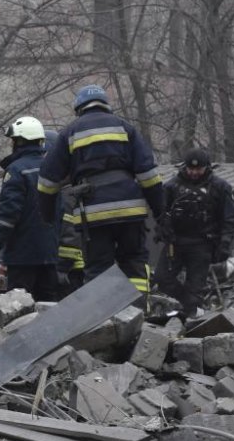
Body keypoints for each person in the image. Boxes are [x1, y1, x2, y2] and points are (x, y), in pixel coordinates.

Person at [38, 84, 163, 295]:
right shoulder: (126, 128)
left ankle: (103, 322)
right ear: (106, 105)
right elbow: (149, 176)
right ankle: (139, 315)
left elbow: (47, 182)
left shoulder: (70, 132)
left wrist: (47, 215)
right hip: (130, 212)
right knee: (134, 264)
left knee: (98, 269)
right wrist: (160, 212)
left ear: (79, 109)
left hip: (94, 216)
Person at [0, 117, 61, 301]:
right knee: (46, 307)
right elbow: (60, 210)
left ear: (19, 141)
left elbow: (8, 214)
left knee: (19, 309)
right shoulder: (51, 169)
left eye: (13, 140)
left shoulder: (16, 170)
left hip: (22, 257)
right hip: (49, 255)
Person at [154, 148, 234, 314]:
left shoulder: (220, 187)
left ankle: (192, 318)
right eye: (191, 169)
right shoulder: (172, 186)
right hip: (175, 243)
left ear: (207, 167)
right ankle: (190, 304)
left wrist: (225, 244)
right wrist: (163, 229)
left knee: (195, 289)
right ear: (185, 167)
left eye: (198, 169)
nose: (194, 172)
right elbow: (160, 213)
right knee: (162, 279)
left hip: (202, 245)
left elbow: (229, 219)